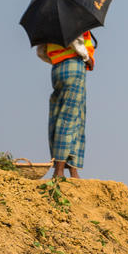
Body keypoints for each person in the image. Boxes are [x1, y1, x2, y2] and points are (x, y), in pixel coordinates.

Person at [37, 30, 95, 180]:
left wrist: (59, 59)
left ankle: (67, 169)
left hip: (57, 68)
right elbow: (76, 39)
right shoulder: (75, 17)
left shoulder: (49, 23)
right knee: (72, 119)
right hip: (74, 65)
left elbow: (41, 51)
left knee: (58, 117)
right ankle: (61, 172)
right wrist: (87, 57)